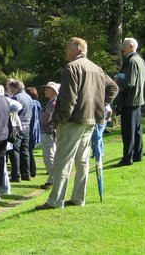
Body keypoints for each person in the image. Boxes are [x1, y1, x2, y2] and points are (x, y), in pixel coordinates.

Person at [35, 37, 118, 210]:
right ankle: (79, 198)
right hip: (91, 120)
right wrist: (99, 105)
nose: (65, 51)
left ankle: (55, 200)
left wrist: (61, 119)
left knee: (63, 159)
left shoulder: (71, 68)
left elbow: (68, 98)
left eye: (67, 48)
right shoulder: (96, 68)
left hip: (73, 121)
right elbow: (113, 88)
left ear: (77, 49)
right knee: (82, 160)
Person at [113, 37, 145, 167]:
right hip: (138, 99)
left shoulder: (132, 61)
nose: (121, 47)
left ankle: (127, 158)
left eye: (124, 45)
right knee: (137, 129)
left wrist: (117, 80)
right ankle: (138, 155)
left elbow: (129, 82)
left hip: (130, 100)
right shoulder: (140, 60)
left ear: (131, 46)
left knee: (128, 131)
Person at [7, 79, 33, 182]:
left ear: (15, 88)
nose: (11, 90)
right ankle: (26, 173)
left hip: (17, 127)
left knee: (15, 151)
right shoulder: (29, 97)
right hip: (27, 126)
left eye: (11, 88)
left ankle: (16, 175)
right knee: (25, 150)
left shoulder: (16, 98)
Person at [39, 81, 60, 190]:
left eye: (47, 88)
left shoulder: (53, 103)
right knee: (51, 156)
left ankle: (53, 180)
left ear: (53, 91)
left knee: (49, 157)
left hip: (49, 133)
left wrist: (40, 113)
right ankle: (53, 179)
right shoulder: (53, 102)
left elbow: (44, 119)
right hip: (50, 132)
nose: (45, 91)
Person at [25, 87, 42, 178]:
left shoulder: (33, 105)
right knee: (29, 151)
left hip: (32, 131)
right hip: (35, 130)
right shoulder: (37, 104)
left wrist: (32, 133)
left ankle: (32, 171)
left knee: (29, 152)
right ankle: (32, 170)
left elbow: (34, 121)